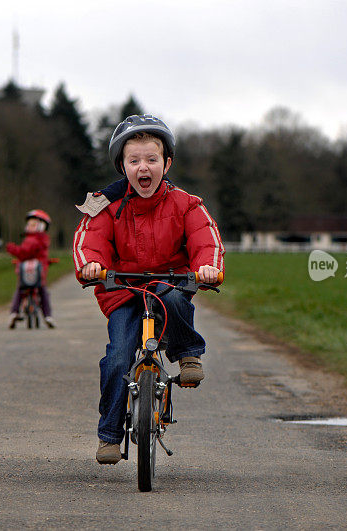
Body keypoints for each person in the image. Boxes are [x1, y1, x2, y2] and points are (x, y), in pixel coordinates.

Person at [73, 114, 224, 464]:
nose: (144, 167)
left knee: (174, 297)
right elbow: (87, 241)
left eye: (152, 159)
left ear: (166, 163)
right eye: (134, 160)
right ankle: (109, 435)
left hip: (169, 282)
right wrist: (91, 265)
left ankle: (188, 353)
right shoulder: (105, 204)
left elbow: (206, 238)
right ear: (122, 166)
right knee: (116, 360)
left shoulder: (186, 203)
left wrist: (209, 268)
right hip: (123, 291)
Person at [7, 209, 55, 329]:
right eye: (28, 224)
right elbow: (40, 256)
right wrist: (48, 262)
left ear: (41, 226)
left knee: (20, 290)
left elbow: (24, 253)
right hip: (40, 272)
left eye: (33, 224)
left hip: (26, 271)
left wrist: (12, 249)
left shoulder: (32, 240)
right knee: (43, 291)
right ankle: (47, 315)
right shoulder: (44, 239)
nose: (29, 226)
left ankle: (14, 312)